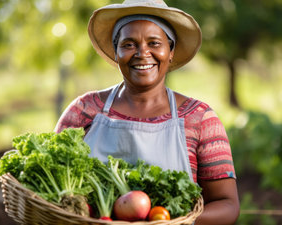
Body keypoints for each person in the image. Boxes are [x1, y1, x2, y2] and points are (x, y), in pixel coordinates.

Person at [54, 0, 240, 224]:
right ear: (116, 52)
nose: (142, 53)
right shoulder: (84, 111)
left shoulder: (199, 118)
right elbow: (55, 188)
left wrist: (181, 223)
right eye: (129, 44)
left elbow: (227, 204)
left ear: (170, 51)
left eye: (154, 43)